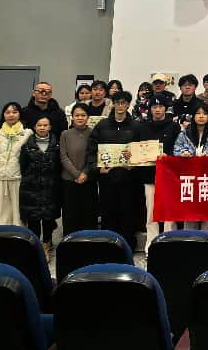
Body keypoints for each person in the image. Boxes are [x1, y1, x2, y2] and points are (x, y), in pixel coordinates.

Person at [86, 91, 141, 249]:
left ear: (128, 105)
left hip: (128, 178)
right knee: (107, 212)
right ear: (113, 104)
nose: (120, 105)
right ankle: (108, 246)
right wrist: (97, 169)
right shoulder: (102, 125)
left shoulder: (136, 126)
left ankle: (127, 246)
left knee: (127, 213)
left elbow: (141, 150)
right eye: (118, 102)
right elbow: (91, 149)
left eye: (124, 103)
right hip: (107, 178)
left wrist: (134, 162)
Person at [136, 95, 179, 252]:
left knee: (169, 211)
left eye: (160, 107)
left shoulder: (174, 127)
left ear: (165, 109)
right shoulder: (142, 127)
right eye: (154, 107)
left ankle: (169, 240)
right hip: (149, 174)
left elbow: (178, 148)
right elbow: (137, 149)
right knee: (151, 211)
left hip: (169, 174)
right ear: (150, 109)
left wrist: (169, 156)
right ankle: (151, 243)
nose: (157, 110)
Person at [173, 103, 208, 232]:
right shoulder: (184, 133)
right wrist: (183, 153)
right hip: (190, 178)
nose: (201, 116)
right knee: (190, 213)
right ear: (193, 116)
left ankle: (207, 240)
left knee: (207, 213)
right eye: (198, 113)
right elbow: (176, 150)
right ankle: (190, 239)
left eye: (204, 114)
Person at [19, 116, 61, 259]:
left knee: (48, 218)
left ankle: (46, 244)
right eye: (39, 125)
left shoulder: (57, 145)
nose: (42, 128)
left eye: (45, 125)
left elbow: (59, 167)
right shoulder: (26, 146)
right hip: (31, 188)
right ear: (34, 127)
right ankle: (36, 245)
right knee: (34, 219)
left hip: (51, 187)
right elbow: (23, 167)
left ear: (50, 127)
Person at [0, 102, 31, 226]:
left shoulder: (27, 133)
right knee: (1, 212)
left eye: (14, 112)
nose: (11, 115)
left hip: (18, 178)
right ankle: (3, 234)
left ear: (20, 114)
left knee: (18, 213)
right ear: (3, 115)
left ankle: (19, 235)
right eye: (8, 112)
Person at [60, 103, 98, 235]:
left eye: (83, 115)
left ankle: (89, 239)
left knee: (88, 212)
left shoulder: (93, 133)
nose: (80, 118)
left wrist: (85, 173)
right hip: (69, 180)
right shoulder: (65, 134)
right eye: (77, 115)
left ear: (88, 117)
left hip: (88, 179)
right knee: (70, 213)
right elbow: (63, 157)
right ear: (72, 117)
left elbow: (94, 155)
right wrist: (76, 174)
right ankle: (70, 240)